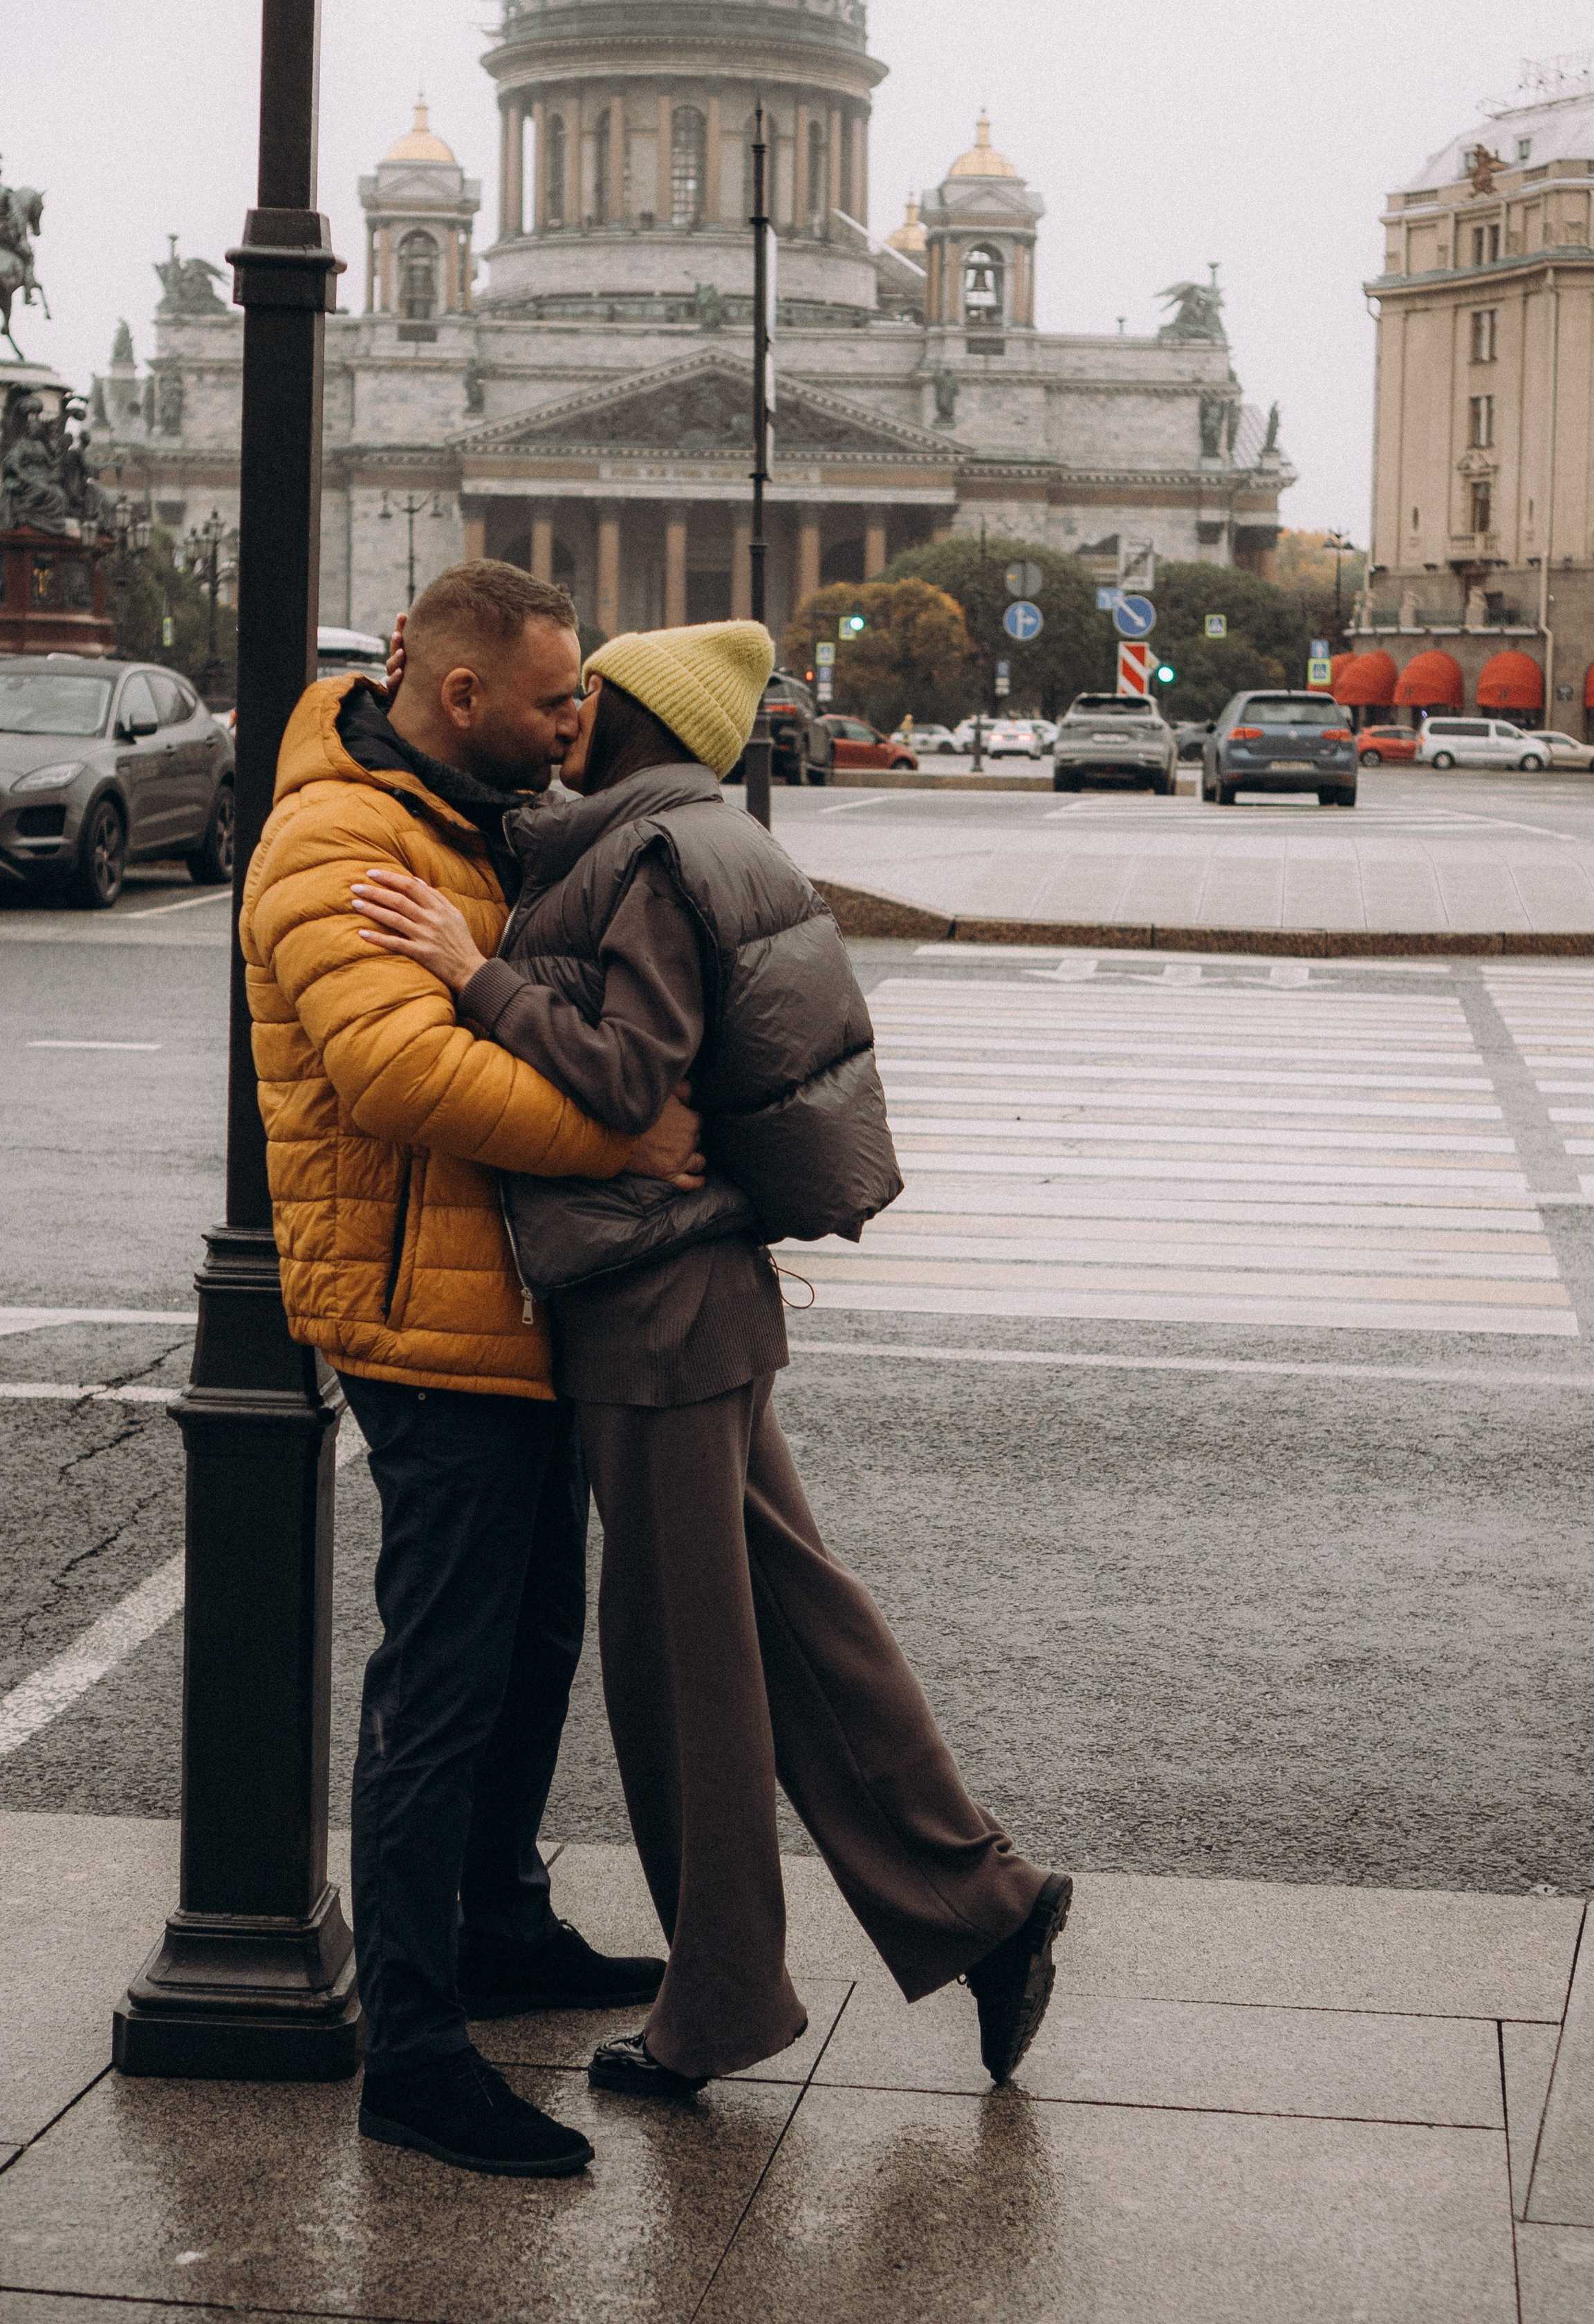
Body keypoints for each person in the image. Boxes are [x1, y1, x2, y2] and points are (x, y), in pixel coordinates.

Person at [349, 617, 1072, 2102]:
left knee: (684, 1674)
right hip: (697, 1300)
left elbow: (624, 1077)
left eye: (585, 696)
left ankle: (723, 2001)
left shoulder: (652, 860)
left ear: (638, 717)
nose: (563, 714)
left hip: (652, 1308)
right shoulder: (692, 837)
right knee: (801, 1632)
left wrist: (464, 971)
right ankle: (984, 1907)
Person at [241, 563, 704, 2181]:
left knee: (526, 1643)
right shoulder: (337, 838)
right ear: (457, 699)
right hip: (423, 1317)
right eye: (555, 699)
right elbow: (396, 1071)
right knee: (438, 1686)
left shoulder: (472, 814)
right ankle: (415, 2052)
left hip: (511, 1300)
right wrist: (624, 1137)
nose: (578, 720)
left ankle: (499, 1924)